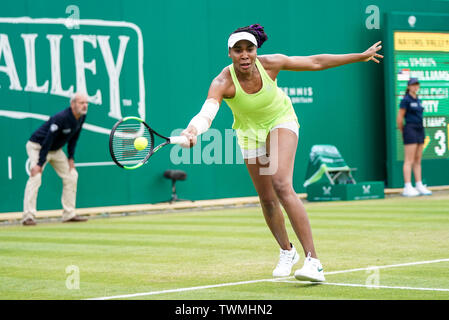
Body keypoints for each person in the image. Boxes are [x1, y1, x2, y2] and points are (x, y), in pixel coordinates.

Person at [180, 24, 383, 282]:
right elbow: (207, 112)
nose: (244, 55)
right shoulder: (223, 81)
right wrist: (193, 130)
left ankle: (314, 261)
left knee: (281, 184)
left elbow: (316, 62)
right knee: (266, 198)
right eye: (238, 50)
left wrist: (359, 56)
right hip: (249, 133)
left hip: (281, 119)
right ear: (229, 53)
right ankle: (287, 251)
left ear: (256, 50)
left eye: (249, 49)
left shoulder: (271, 64)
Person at [22, 92, 89, 226]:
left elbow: (74, 139)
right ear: (73, 104)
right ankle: (28, 216)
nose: (85, 105)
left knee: (72, 176)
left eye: (86, 103)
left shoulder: (81, 117)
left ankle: (69, 214)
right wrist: (39, 164)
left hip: (55, 150)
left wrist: (71, 158)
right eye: (82, 103)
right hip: (38, 146)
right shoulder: (61, 118)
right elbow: (48, 140)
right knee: (36, 177)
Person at [397, 78, 432, 197]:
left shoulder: (419, 100)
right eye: (413, 85)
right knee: (409, 160)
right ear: (408, 87)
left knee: (418, 159)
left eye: (417, 84)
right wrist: (403, 130)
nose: (415, 87)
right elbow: (400, 117)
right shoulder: (405, 100)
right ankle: (407, 186)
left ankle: (419, 184)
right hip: (410, 128)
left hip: (420, 128)